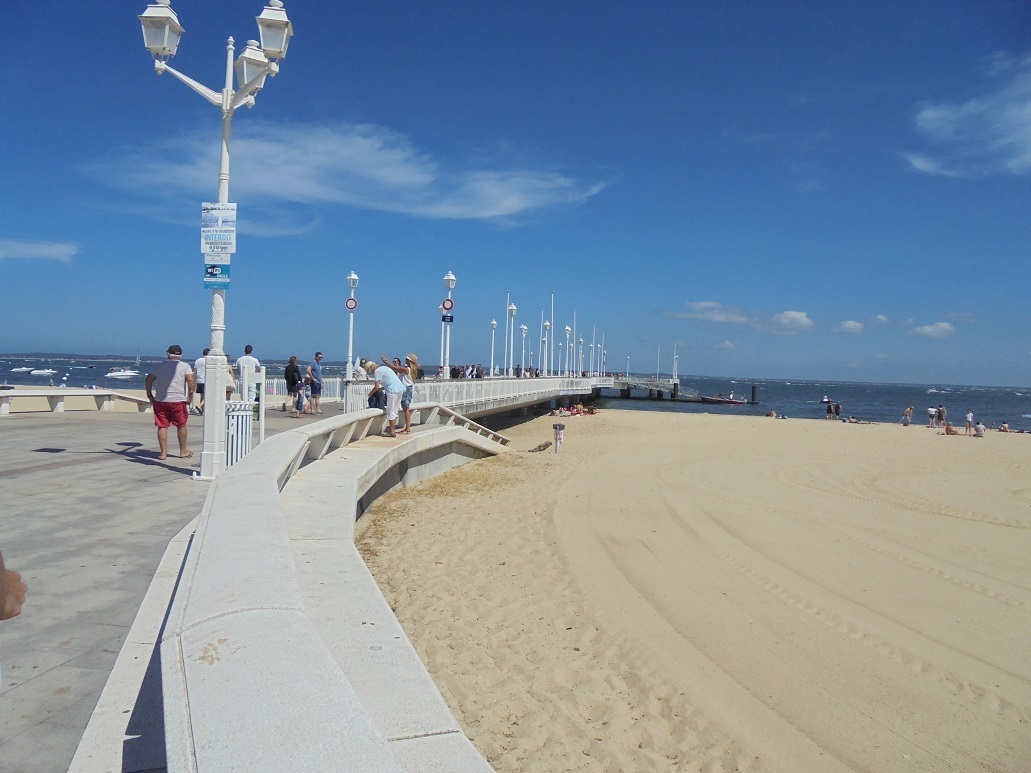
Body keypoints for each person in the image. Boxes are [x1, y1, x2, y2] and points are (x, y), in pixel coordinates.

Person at [145, 344, 196, 460]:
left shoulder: (160, 366)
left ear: (168, 354)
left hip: (161, 400)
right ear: (181, 355)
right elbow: (190, 381)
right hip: (178, 400)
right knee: (181, 425)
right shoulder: (185, 366)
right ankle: (183, 450)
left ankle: (163, 453)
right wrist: (190, 396)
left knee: (162, 426)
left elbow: (148, 379)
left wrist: (149, 394)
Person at [365, 359, 405, 437]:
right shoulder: (384, 368)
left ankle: (392, 431)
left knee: (390, 410)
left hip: (392, 390)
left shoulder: (377, 372)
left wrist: (370, 394)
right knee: (395, 410)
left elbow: (376, 387)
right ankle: (392, 430)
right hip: (399, 389)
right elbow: (389, 381)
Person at [379, 354, 417, 433]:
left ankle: (407, 429)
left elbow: (395, 368)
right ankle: (407, 428)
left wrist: (386, 362)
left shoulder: (407, 369)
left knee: (406, 409)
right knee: (405, 409)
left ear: (409, 361)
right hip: (408, 389)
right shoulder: (412, 369)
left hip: (406, 389)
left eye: (406, 359)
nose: (405, 360)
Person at [192, 347, 209, 415]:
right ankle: (199, 406)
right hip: (206, 380)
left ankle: (201, 410)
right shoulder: (208, 361)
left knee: (202, 396)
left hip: (199, 380)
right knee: (207, 395)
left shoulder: (197, 361)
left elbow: (195, 372)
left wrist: (193, 381)